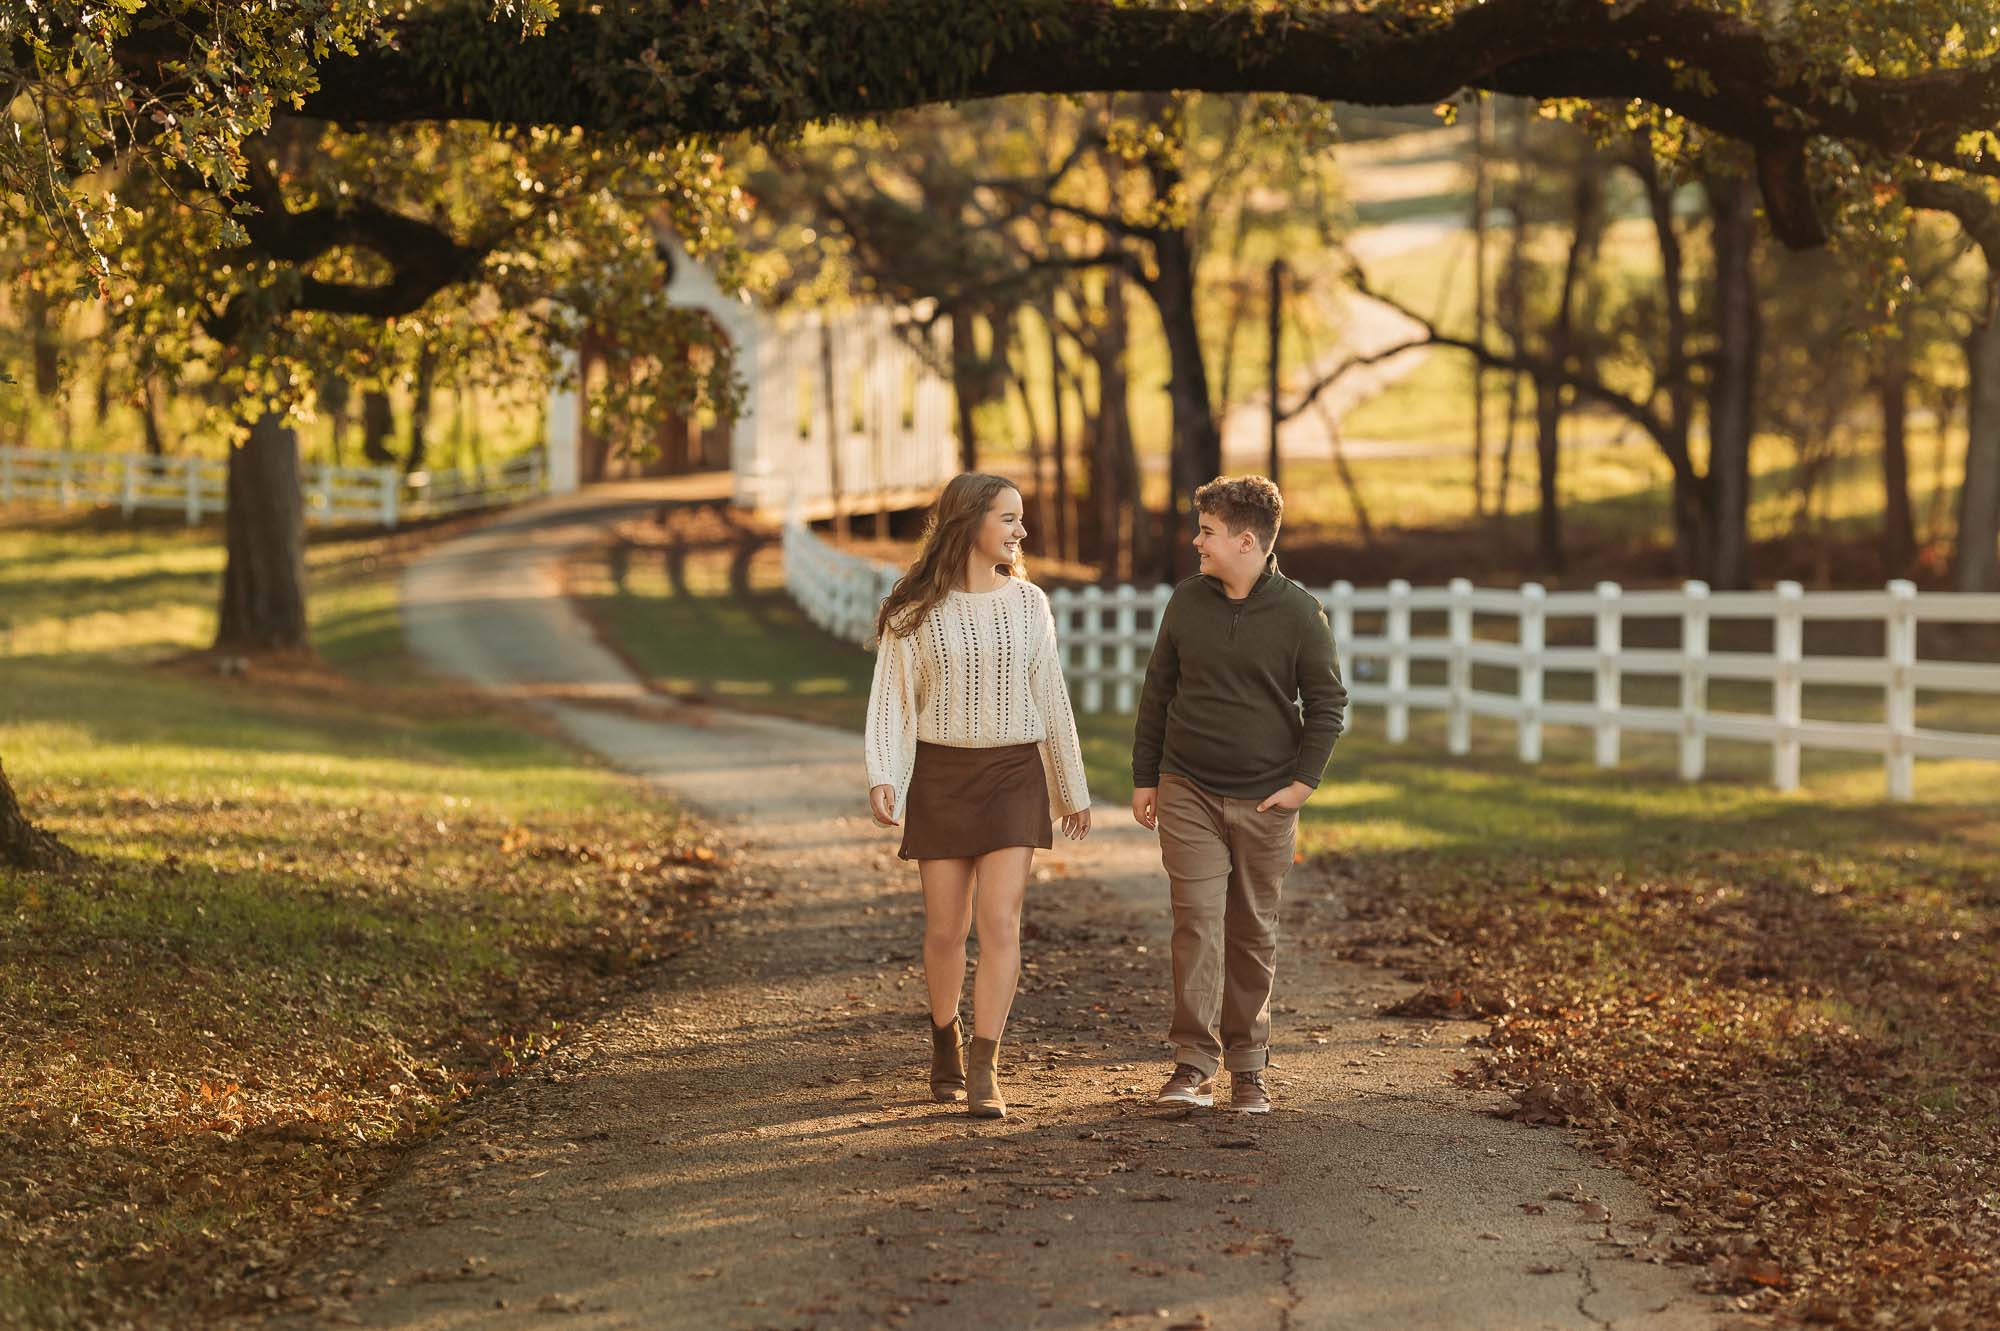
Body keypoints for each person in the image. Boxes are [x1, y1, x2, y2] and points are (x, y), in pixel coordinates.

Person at [865, 472, 1092, 1119]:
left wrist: (1070, 784)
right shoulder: (914, 610)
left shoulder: (1029, 605)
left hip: (1013, 777)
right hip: (941, 775)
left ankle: (987, 1063)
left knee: (1000, 922)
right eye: (1009, 518)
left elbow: (1051, 694)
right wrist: (884, 771)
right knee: (946, 928)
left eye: (1021, 518)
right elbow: (891, 700)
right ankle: (946, 1037)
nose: (1022, 531)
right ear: (970, 523)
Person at [1130, 476, 1347, 1114]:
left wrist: (1302, 784)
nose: (1195, 541)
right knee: (1196, 922)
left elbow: (1328, 703)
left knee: (1252, 930)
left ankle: (1249, 1067)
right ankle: (1192, 1064)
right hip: (1186, 787)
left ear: (1246, 540)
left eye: (1207, 532)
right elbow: (1157, 693)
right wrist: (1147, 776)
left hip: (1264, 801)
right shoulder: (1186, 602)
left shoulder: (1300, 613)